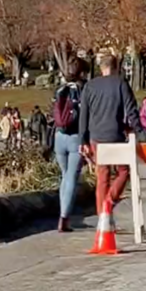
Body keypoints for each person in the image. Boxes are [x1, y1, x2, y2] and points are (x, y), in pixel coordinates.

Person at [78, 54, 146, 215]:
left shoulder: (90, 86)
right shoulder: (120, 83)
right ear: (116, 66)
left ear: (101, 67)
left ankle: (102, 218)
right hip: (115, 135)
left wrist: (82, 140)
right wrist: (138, 130)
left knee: (102, 177)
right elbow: (131, 110)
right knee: (124, 171)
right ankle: (110, 201)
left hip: (96, 137)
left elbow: (83, 115)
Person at [53, 59, 88, 232]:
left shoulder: (60, 89)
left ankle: (62, 213)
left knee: (64, 176)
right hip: (75, 136)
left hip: (59, 136)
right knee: (71, 178)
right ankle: (64, 217)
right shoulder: (83, 89)